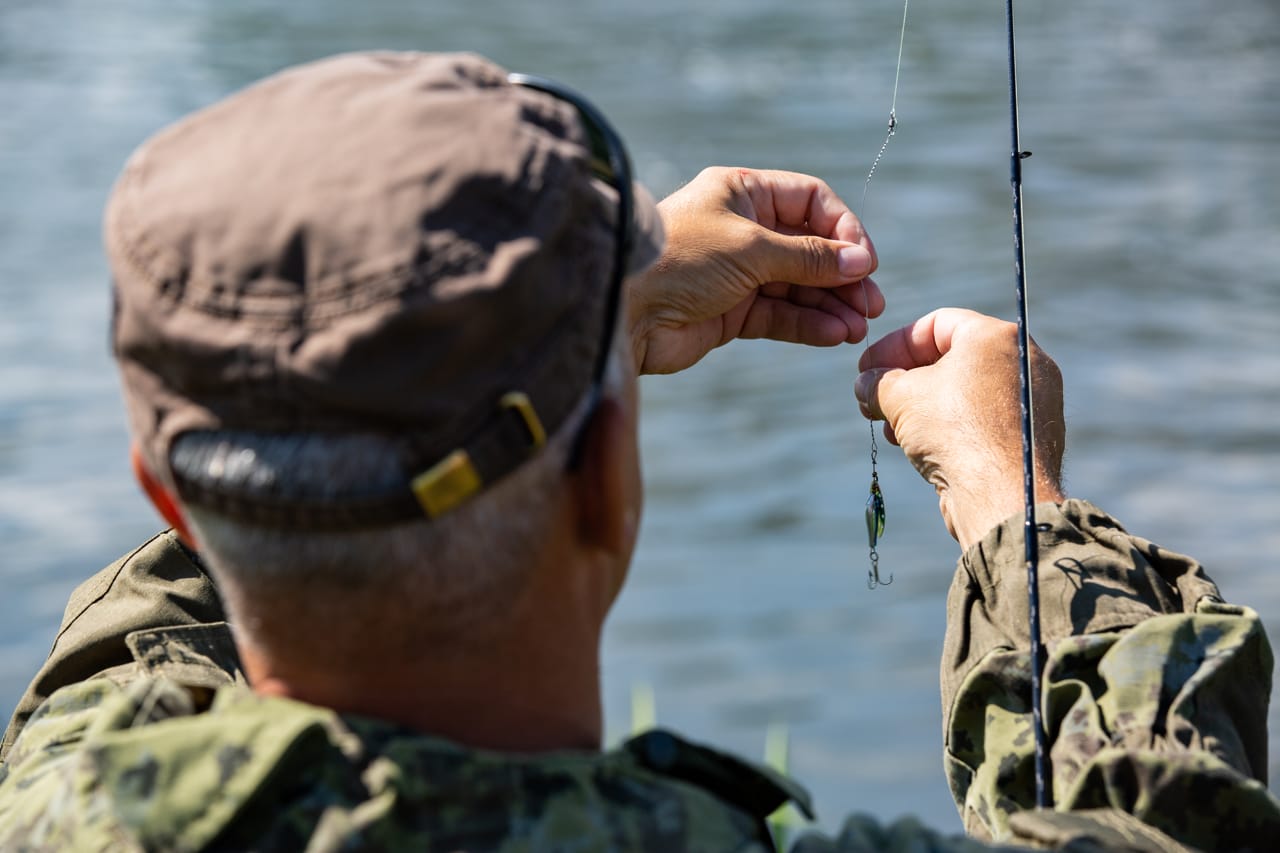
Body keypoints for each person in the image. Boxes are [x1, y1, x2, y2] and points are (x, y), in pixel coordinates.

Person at [0, 50, 1275, 852]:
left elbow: (135, 645)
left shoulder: (65, 807)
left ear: (171, 497)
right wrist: (1016, 501)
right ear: (607, 481)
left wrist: (582, 328)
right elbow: (1162, 827)